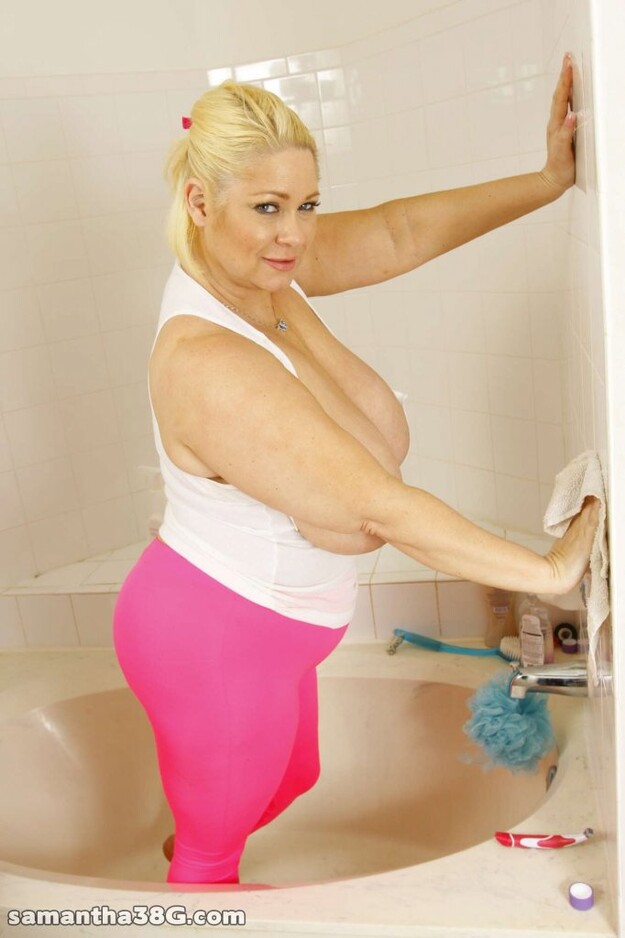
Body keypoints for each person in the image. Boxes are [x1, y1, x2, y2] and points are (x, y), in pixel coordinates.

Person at [113, 54, 599, 886]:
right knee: (212, 851)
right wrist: (547, 571)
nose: (295, 234)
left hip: (268, 632)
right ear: (198, 203)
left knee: (291, 778)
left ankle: (191, 844)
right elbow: (377, 507)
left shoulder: (258, 270)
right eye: (268, 207)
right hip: (214, 635)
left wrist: (547, 181)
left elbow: (395, 232)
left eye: (305, 205)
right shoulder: (204, 359)